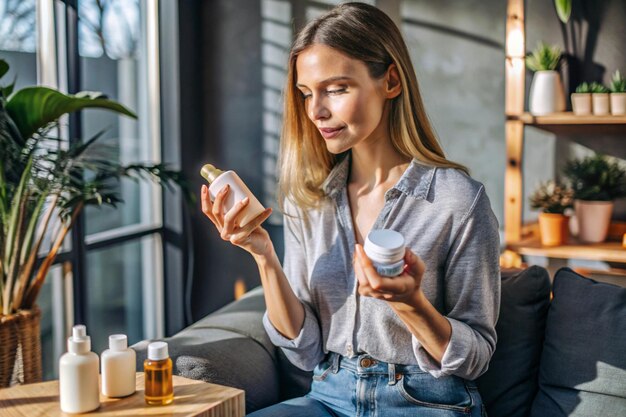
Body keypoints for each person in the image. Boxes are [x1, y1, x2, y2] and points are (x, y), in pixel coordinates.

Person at [200, 3, 500, 416]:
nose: (316, 111)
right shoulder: (310, 199)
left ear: (391, 81)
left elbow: (476, 357)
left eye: (337, 89)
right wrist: (262, 253)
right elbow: (303, 349)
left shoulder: (458, 201)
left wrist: (410, 301)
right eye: (307, 93)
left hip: (426, 401)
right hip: (330, 394)